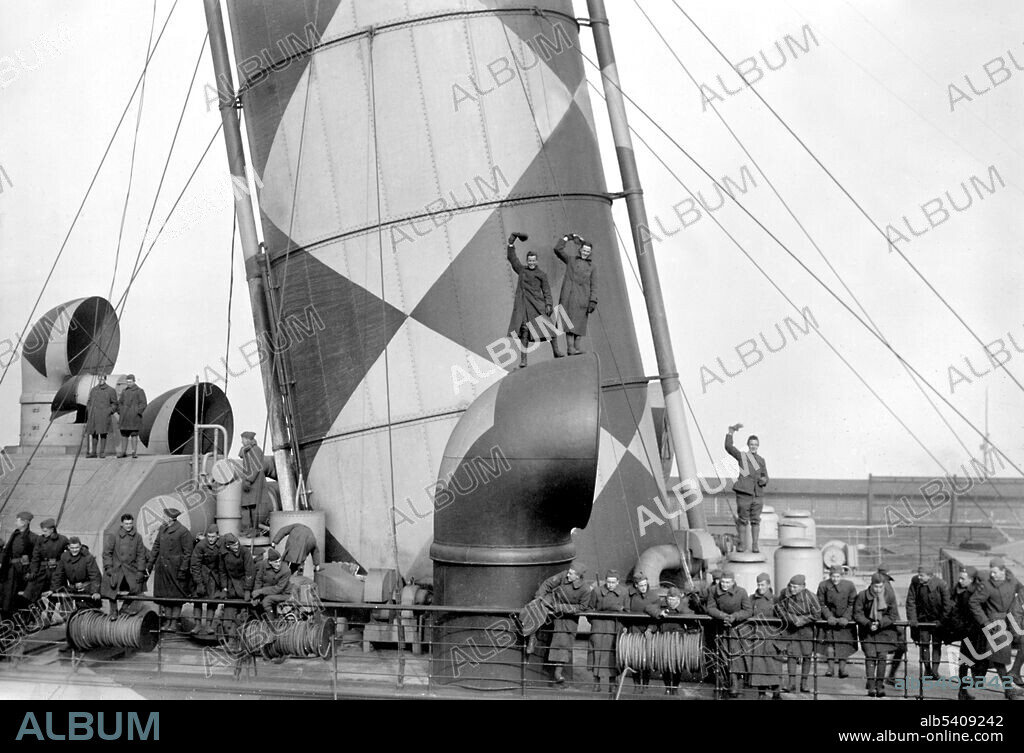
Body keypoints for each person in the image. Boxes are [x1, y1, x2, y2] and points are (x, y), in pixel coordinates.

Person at [505, 231, 564, 368]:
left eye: (533, 260)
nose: (531, 262)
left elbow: (547, 291)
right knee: (524, 331)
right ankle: (524, 360)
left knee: (548, 326)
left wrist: (549, 304)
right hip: (525, 305)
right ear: (527, 261)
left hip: (538, 304)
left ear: (536, 261)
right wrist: (511, 243)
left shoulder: (541, 274)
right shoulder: (522, 271)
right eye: (529, 260)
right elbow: (512, 259)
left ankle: (556, 350)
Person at [968, 558, 1024, 700]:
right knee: (1000, 658)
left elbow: (1021, 593)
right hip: (995, 624)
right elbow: (973, 602)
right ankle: (1008, 690)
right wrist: (985, 622)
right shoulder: (987, 586)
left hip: (1011, 620)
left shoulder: (1013, 582)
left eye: (995, 572)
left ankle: (978, 677)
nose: (992, 575)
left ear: (1003, 571)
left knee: (996, 656)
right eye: (991, 572)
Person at [705, 570, 752, 698]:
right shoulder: (714, 590)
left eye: (728, 582)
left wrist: (735, 616)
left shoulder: (741, 592)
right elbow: (710, 608)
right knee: (725, 658)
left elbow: (748, 611)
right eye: (723, 582)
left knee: (739, 657)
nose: (725, 585)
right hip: (722, 628)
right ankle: (732, 685)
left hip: (739, 629)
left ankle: (739, 686)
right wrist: (722, 616)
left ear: (733, 582)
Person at [147, 507, 194, 631]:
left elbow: (188, 553)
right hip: (162, 569)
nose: (163, 518)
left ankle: (173, 623)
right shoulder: (162, 529)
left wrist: (183, 570)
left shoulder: (183, 531)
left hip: (176, 570)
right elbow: (156, 546)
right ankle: (168, 622)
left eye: (164, 516)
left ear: (170, 518)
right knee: (165, 597)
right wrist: (150, 564)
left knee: (176, 598)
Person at [854, 572, 901, 697]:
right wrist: (868, 623)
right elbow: (857, 614)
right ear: (871, 584)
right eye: (876, 587)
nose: (878, 589)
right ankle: (871, 686)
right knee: (870, 657)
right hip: (867, 632)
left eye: (880, 587)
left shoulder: (889, 595)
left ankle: (879, 686)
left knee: (882, 658)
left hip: (884, 631)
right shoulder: (862, 595)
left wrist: (880, 623)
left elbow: (893, 614)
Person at [724, 423, 768, 552]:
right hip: (744, 494)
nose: (753, 446)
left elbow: (766, 476)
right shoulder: (743, 456)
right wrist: (730, 432)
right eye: (751, 444)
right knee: (743, 520)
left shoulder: (761, 460)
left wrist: (764, 479)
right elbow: (728, 447)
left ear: (758, 446)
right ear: (748, 445)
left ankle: (755, 545)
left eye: (756, 444)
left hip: (758, 495)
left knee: (756, 521)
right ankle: (741, 545)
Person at [943, 566, 985, 700]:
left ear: (971, 580)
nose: (960, 581)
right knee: (966, 660)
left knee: (973, 659)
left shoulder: (975, 592)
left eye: (963, 578)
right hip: (969, 631)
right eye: (959, 578)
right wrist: (961, 627)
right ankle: (963, 690)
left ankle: (966, 688)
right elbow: (955, 612)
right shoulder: (962, 592)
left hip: (977, 631)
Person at [552, 232, 597, 356]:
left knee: (580, 325)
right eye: (584, 250)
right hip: (570, 296)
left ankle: (577, 348)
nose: (585, 253)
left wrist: (593, 300)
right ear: (580, 249)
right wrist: (567, 238)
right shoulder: (571, 260)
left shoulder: (592, 267)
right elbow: (558, 249)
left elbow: (594, 284)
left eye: (588, 251)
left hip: (583, 298)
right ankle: (571, 349)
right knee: (569, 324)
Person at [775, 574, 820, 693]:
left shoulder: (811, 596)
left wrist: (802, 620)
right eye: (791, 586)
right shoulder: (785, 594)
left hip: (806, 631)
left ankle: (804, 683)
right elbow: (779, 608)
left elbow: (817, 614)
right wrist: (791, 619)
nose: (792, 589)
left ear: (803, 586)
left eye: (795, 587)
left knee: (806, 656)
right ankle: (791, 683)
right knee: (792, 656)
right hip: (792, 631)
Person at [646, 586, 695, 695]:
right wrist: (659, 613)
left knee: (677, 665)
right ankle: (668, 687)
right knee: (664, 665)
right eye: (669, 599)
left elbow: (692, 620)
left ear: (678, 599)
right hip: (664, 640)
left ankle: (675, 687)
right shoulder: (663, 606)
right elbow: (649, 608)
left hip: (678, 642)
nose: (671, 602)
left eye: (673, 600)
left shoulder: (684, 609)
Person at [906, 565, 951, 679]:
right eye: (918, 574)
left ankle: (935, 671)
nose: (919, 577)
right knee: (924, 645)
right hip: (923, 621)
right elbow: (910, 602)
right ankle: (927, 669)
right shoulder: (915, 583)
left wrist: (942, 621)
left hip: (937, 621)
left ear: (930, 576)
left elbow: (947, 605)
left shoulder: (941, 584)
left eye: (922, 575)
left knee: (937, 645)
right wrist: (913, 619)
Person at [587, 568, 627, 693]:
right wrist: (595, 622)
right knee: (596, 653)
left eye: (613, 582)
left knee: (614, 653)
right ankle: (596, 683)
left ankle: (612, 684)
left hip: (615, 627)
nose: (610, 585)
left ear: (618, 582)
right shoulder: (597, 591)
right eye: (608, 582)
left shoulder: (624, 593)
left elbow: (627, 611)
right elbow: (589, 609)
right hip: (598, 628)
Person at [102, 513, 148, 620]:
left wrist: (141, 570)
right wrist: (109, 568)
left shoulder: (138, 537)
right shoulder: (114, 535)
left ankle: (124, 607)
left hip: (130, 568)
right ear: (122, 524)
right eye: (126, 523)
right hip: (116, 568)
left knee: (137, 587)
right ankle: (113, 611)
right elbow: (106, 553)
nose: (128, 526)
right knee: (111, 588)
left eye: (130, 523)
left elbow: (141, 555)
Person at [746, 573, 784, 699]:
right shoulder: (752, 599)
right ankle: (761, 694)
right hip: (757, 637)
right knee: (759, 667)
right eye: (758, 584)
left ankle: (776, 693)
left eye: (762, 585)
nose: (760, 587)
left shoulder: (775, 599)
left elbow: (782, 618)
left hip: (772, 637)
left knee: (774, 666)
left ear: (768, 585)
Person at [816, 564, 857, 678]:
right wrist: (828, 616)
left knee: (843, 645)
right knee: (830, 645)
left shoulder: (849, 586)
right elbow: (821, 603)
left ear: (842, 576)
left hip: (844, 622)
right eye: (833, 576)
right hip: (829, 621)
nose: (835, 579)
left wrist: (846, 617)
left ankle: (842, 669)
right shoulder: (823, 585)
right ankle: (830, 669)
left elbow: (852, 603)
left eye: (838, 576)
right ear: (829, 575)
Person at [626, 571, 661, 693]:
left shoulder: (654, 597)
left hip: (648, 630)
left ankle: (645, 686)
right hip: (634, 629)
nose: (644, 588)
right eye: (641, 585)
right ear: (636, 585)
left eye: (645, 585)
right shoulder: (630, 596)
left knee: (647, 658)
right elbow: (626, 612)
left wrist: (650, 629)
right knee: (635, 659)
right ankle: (636, 686)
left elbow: (657, 616)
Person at [0, 512, 39, 620]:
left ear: (24, 522)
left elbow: (36, 557)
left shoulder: (33, 538)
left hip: (22, 571)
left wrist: (30, 570)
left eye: (17, 520)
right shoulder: (15, 535)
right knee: (5, 594)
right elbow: (7, 552)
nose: (15, 522)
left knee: (11, 595)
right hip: (10, 570)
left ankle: (11, 619)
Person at [216, 533, 254, 636]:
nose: (236, 547)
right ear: (228, 546)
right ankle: (229, 639)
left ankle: (240, 642)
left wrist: (247, 589)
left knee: (242, 618)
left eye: (237, 544)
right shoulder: (223, 555)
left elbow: (249, 571)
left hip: (243, 586)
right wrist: (224, 588)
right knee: (227, 620)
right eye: (233, 545)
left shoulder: (245, 552)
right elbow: (222, 572)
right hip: (231, 588)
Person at [24, 519, 69, 606]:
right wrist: (33, 571)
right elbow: (35, 557)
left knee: (56, 596)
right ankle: (35, 614)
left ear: (52, 529)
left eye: (45, 531)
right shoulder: (40, 539)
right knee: (32, 593)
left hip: (56, 572)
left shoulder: (62, 539)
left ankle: (53, 615)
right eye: (42, 531)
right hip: (42, 572)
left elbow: (72, 550)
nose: (43, 533)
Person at [875, 564, 906, 686]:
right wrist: (898, 627)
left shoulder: (883, 585)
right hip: (890, 624)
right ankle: (887, 677)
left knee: (884, 652)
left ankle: (885, 677)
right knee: (898, 649)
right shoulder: (885, 586)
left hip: (887, 623)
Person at [190, 525, 223, 635]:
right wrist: (199, 583)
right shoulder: (200, 546)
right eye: (208, 536)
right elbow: (195, 565)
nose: (210, 539)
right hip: (201, 574)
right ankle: (197, 625)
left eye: (213, 537)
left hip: (214, 576)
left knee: (213, 601)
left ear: (217, 535)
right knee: (197, 600)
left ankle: (209, 625)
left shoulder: (221, 544)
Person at [49, 537, 101, 606]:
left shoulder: (88, 557)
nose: (74, 550)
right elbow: (58, 574)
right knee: (65, 606)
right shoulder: (64, 557)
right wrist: (53, 590)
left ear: (80, 547)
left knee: (88, 608)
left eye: (77, 548)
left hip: (87, 588)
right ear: (68, 547)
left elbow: (95, 575)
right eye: (72, 548)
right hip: (73, 588)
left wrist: (95, 591)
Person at [238, 432, 267, 535]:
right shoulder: (248, 449)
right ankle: (248, 529)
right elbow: (240, 455)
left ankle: (256, 530)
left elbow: (255, 467)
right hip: (248, 482)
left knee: (254, 507)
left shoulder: (256, 450)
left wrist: (249, 480)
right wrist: (246, 448)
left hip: (254, 482)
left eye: (243, 439)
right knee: (247, 507)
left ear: (248, 439)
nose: (242, 441)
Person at [84, 374, 118, 459]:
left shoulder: (111, 390)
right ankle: (93, 452)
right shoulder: (93, 390)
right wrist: (89, 409)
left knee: (103, 434)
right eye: (99, 378)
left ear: (105, 379)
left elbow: (115, 404)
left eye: (102, 378)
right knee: (94, 433)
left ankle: (102, 453)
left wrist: (109, 411)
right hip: (93, 415)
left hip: (104, 416)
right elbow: (89, 401)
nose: (100, 380)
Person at [251, 548, 291, 615]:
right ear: (269, 562)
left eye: (279, 561)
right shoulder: (263, 564)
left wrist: (260, 591)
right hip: (267, 592)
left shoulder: (286, 570)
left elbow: (278, 588)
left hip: (283, 594)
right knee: (254, 601)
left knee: (267, 600)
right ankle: (260, 620)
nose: (278, 564)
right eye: (275, 562)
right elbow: (259, 580)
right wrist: (256, 595)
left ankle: (272, 622)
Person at [116, 374, 147, 459]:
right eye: (127, 382)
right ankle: (123, 452)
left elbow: (143, 403)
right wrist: (120, 411)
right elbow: (120, 403)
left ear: (134, 381)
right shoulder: (124, 391)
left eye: (130, 382)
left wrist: (137, 412)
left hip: (134, 417)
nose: (129, 383)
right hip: (124, 417)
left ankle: (134, 452)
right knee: (124, 434)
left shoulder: (139, 391)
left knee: (134, 434)